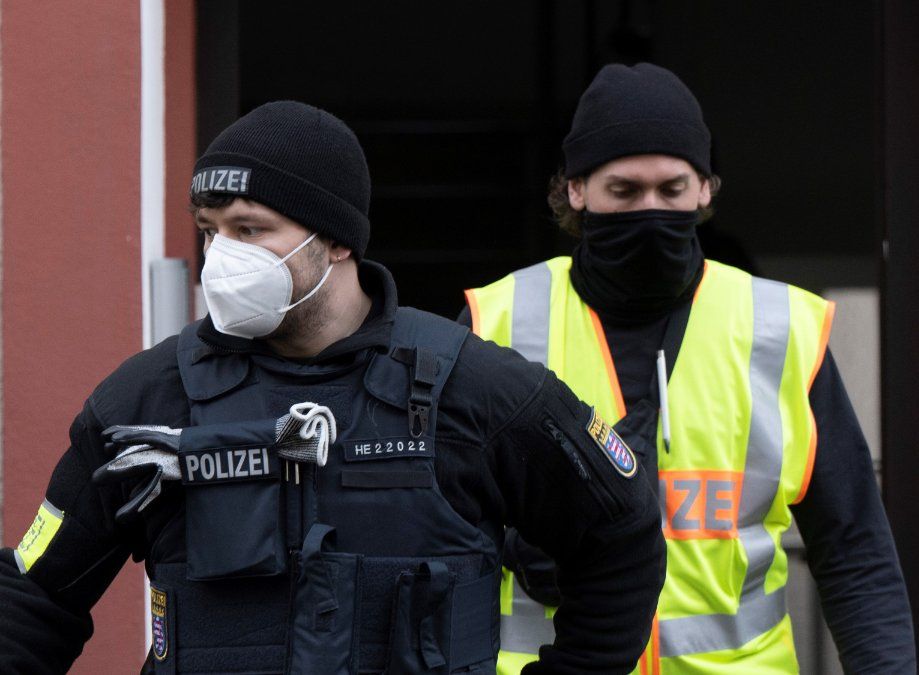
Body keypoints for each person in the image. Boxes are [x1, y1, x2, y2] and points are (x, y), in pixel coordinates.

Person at [0, 101, 666, 675]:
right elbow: (36, 593)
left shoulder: (473, 388)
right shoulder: (146, 400)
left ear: (336, 241)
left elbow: (620, 532)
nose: (221, 257)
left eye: (249, 229)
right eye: (211, 230)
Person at [462, 63, 916, 674]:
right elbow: (433, 530)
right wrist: (522, 542)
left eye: (670, 190)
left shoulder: (782, 330)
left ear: (706, 189)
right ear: (576, 190)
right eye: (624, 191)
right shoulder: (495, 323)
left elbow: (854, 547)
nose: (650, 209)